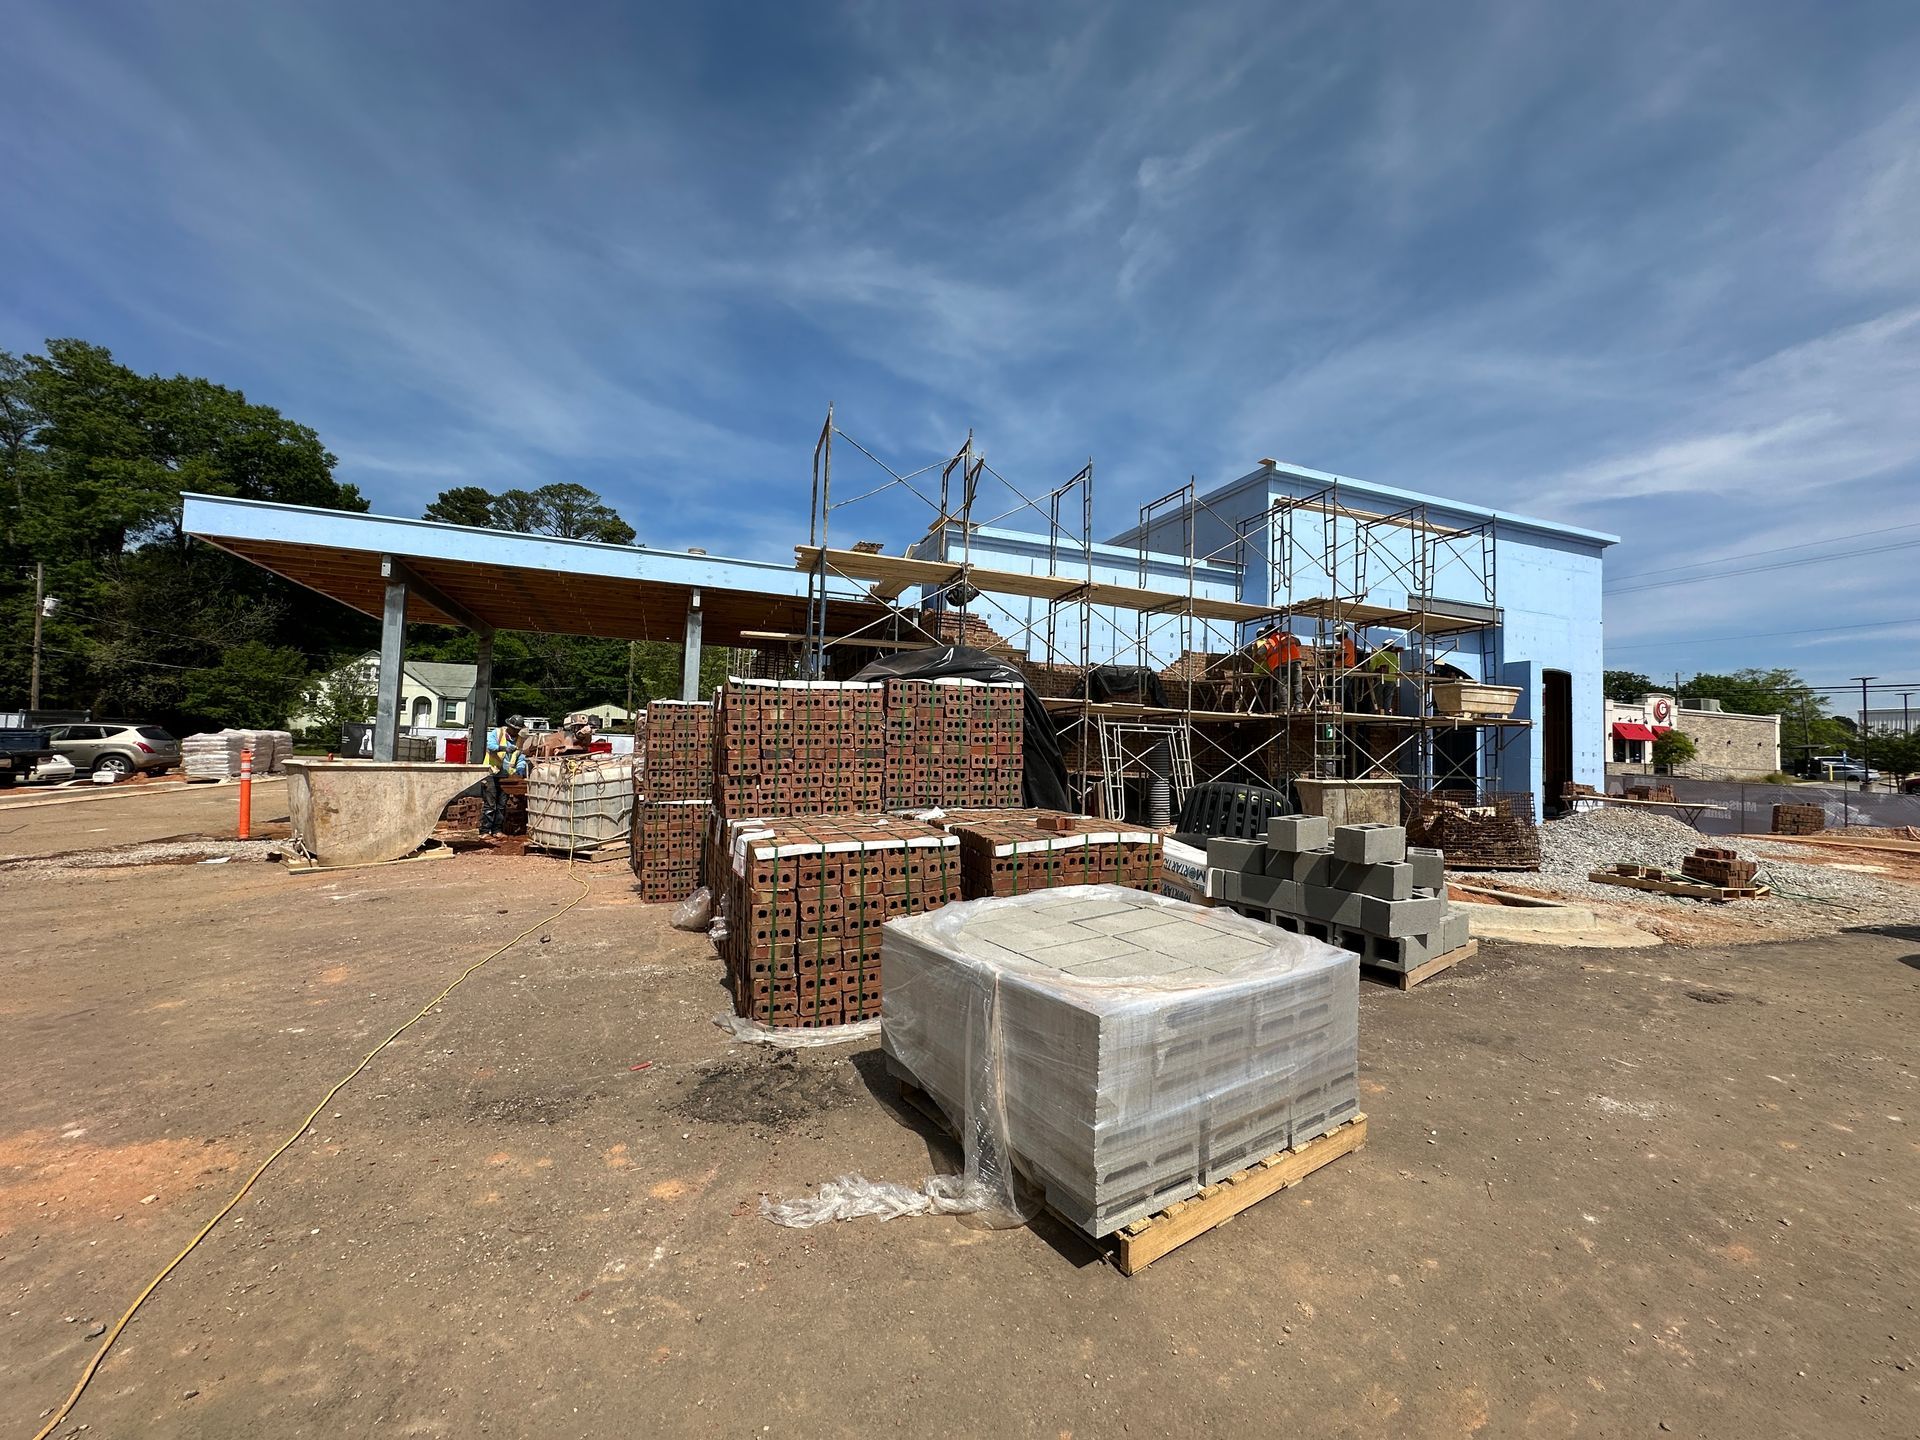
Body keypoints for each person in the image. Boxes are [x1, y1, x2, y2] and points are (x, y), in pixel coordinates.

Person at [480, 715, 528, 835]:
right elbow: (490, 746)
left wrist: (520, 768)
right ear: (508, 726)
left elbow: (520, 757)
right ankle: (485, 831)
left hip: (505, 775)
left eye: (518, 729)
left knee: (501, 805)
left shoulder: (519, 740)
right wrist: (504, 748)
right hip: (491, 772)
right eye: (513, 729)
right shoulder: (497, 733)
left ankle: (497, 830)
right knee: (490, 805)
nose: (515, 731)